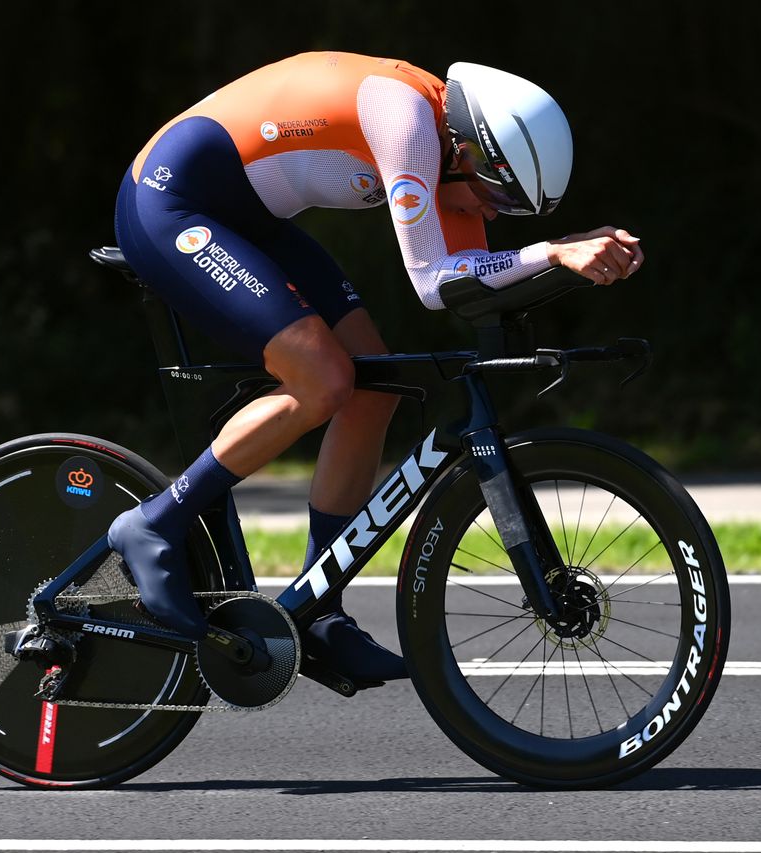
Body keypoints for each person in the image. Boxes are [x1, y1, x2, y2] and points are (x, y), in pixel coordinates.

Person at [106, 51, 644, 685]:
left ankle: (315, 606)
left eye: (518, 211)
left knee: (374, 388)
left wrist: (566, 262)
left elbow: (472, 290)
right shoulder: (409, 120)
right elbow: (433, 282)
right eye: (499, 196)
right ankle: (152, 522)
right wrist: (552, 251)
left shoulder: (458, 163)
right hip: (170, 203)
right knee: (325, 379)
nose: (496, 215)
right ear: (469, 151)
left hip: (250, 219)